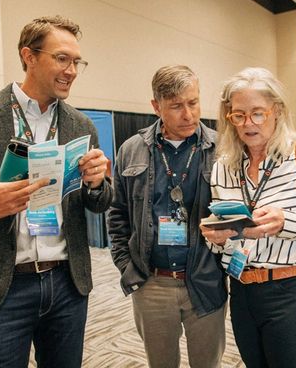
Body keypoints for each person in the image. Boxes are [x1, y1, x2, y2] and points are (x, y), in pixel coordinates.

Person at [0, 15, 112, 368]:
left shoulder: (80, 125)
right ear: (29, 56)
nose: (71, 70)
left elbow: (98, 204)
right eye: (61, 58)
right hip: (2, 286)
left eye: (76, 62)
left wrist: (98, 184)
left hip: (67, 284)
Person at [201, 67, 296, 368]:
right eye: (238, 115)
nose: (247, 123)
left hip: (292, 294)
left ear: (276, 110)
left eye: (257, 113)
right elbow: (224, 238)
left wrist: (286, 222)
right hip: (241, 291)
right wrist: (216, 237)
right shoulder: (224, 166)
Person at [108, 65, 227, 368]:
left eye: (194, 102)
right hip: (152, 283)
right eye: (176, 106)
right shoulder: (131, 150)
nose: (188, 114)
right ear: (156, 106)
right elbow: (118, 213)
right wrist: (126, 264)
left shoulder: (221, 149)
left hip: (206, 279)